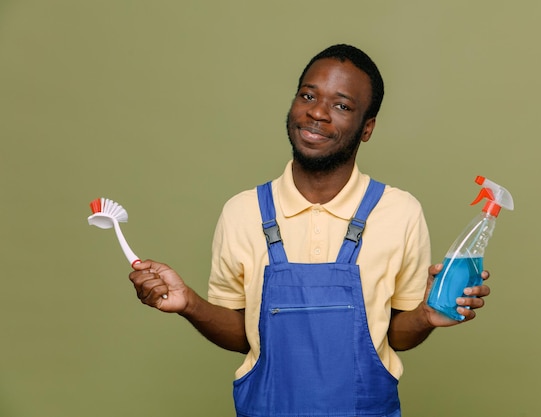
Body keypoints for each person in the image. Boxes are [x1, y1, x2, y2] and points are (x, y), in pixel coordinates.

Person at [129, 44, 491, 417]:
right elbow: (244, 334)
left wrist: (426, 316)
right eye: (308, 95)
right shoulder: (243, 212)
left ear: (367, 128)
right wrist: (188, 303)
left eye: (342, 105)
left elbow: (391, 333)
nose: (317, 112)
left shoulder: (399, 212)